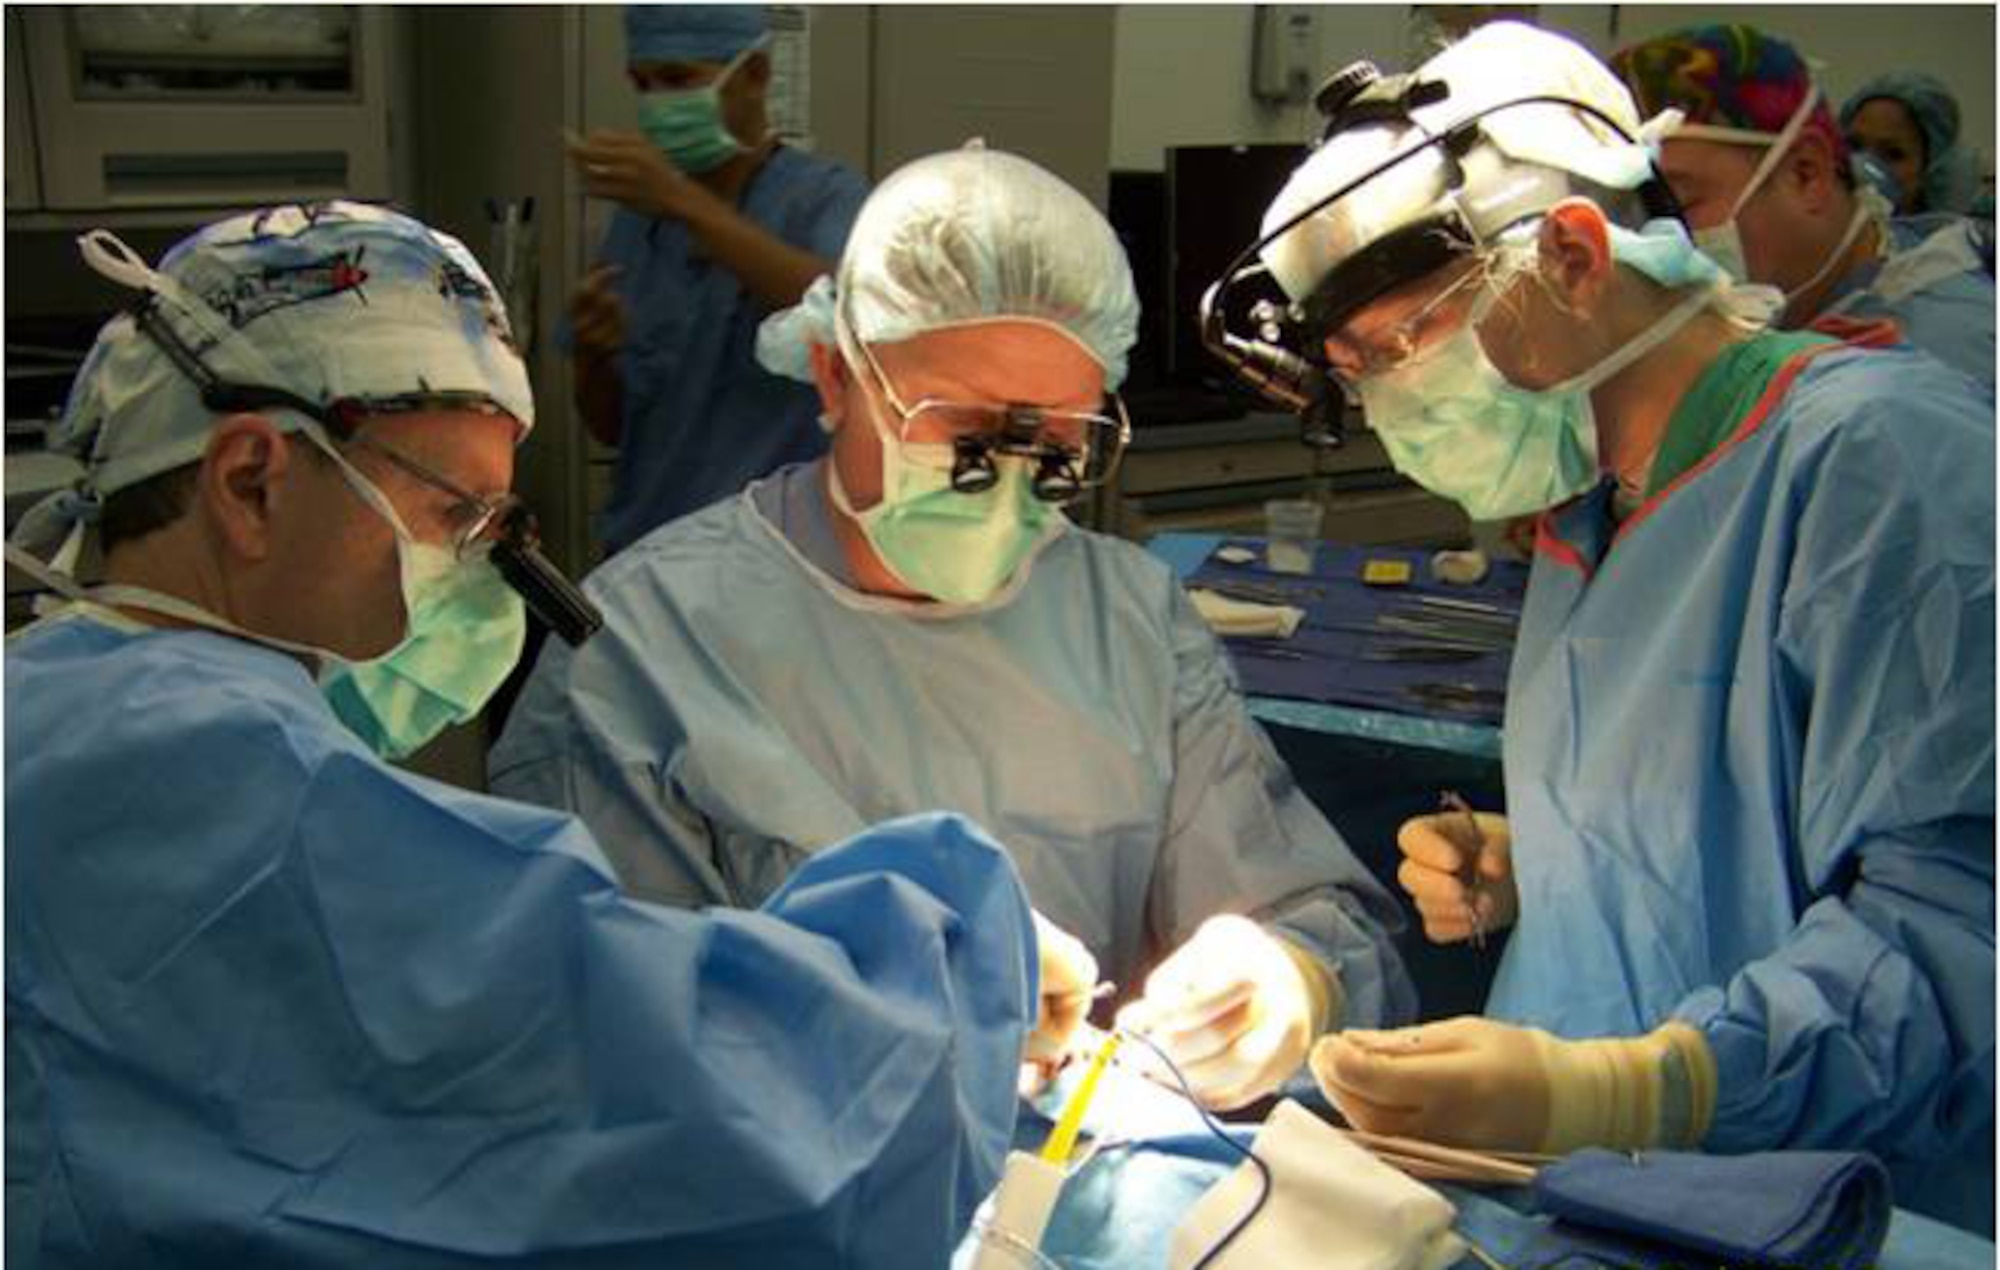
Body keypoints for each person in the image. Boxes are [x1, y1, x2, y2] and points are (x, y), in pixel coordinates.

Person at [3, 202, 1079, 1268]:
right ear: (250, 481)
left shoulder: (59, 710)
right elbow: (675, 1094)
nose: (476, 570)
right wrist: (960, 957)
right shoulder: (221, 789)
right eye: (453, 517)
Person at [1219, 22, 1992, 1233]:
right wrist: (1554, 865)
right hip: (1595, 1202)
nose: (1384, 402)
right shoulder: (1592, 503)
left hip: (1823, 1201)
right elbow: (1746, 829)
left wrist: (1636, 1084)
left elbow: (1956, 937)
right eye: (1353, 369)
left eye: (1402, 344)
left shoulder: (1884, 465)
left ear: (1573, 254)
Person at [491, 144, 1418, 1114]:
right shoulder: (642, 645)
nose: (1008, 474)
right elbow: (595, 1030)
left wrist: (1289, 980)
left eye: (1054, 441)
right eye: (963, 424)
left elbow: (1317, 916)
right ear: (834, 376)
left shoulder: (1128, 620)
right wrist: (878, 1016)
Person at [566, 5, 869, 554]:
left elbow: (848, 314)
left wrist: (684, 204)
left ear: (754, 73)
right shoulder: (639, 223)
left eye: (678, 79)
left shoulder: (823, 199)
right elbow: (612, 427)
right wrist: (593, 355)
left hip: (776, 562)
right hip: (648, 555)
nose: (658, 101)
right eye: (643, 83)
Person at [1610, 23, 1995, 389]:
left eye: (1680, 202)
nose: (1654, 238)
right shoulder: (1790, 312)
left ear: (1806, 173)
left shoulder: (1948, 362)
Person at [1841, 70, 1990, 219]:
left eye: (1893, 153)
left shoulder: (1946, 240)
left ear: (1930, 171)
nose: (1860, 166)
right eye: (1854, 145)